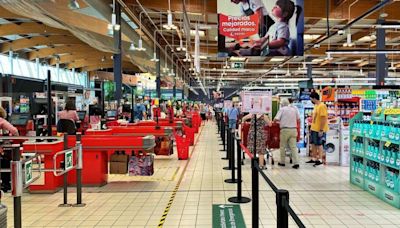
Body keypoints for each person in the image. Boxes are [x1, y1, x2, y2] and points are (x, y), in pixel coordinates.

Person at [274, 98, 300, 169]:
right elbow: (298, 119)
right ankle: (296, 163)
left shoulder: (282, 109)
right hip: (294, 130)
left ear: (282, 104)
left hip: (285, 130)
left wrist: (279, 121)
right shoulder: (294, 109)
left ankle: (282, 162)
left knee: (283, 146)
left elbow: (276, 119)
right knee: (293, 147)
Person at [306, 92, 329, 167]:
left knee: (319, 144)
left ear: (314, 98)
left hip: (319, 129)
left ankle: (320, 160)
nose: (311, 101)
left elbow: (323, 119)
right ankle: (314, 158)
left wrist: (321, 130)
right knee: (313, 143)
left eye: (311, 99)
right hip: (314, 128)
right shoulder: (316, 106)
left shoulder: (322, 106)